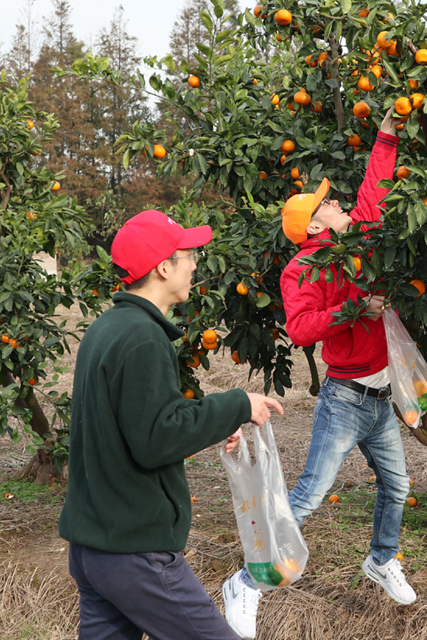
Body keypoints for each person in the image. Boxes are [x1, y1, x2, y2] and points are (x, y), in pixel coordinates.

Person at [223, 109, 415, 639]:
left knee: (397, 486)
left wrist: (389, 132)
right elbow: (303, 328)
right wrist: (354, 312)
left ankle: (381, 559)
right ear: (311, 226)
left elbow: (377, 184)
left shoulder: (360, 236)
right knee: (308, 496)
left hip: (380, 397)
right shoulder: (302, 268)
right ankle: (247, 582)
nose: (335, 202)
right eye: (325, 203)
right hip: (346, 399)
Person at [59, 209, 284, 640]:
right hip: (134, 552)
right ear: (164, 267)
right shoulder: (143, 337)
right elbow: (155, 439)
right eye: (188, 255)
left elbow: (135, 420)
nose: (196, 263)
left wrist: (211, 422)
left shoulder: (106, 328)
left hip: (94, 546)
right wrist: (237, 404)